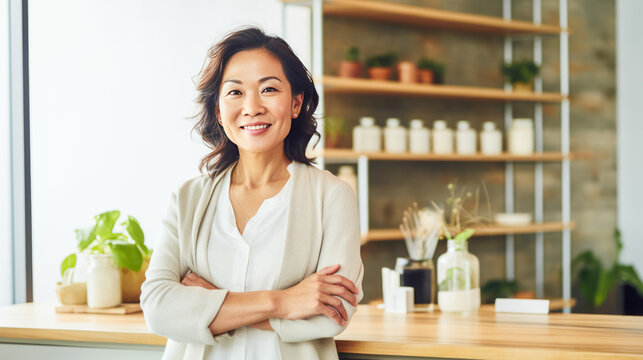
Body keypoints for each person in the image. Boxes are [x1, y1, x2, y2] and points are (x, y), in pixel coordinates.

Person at [140, 26, 364, 360]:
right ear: (218, 110)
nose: (252, 107)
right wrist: (283, 302)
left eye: (269, 89)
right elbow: (158, 308)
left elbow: (333, 313)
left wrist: (213, 304)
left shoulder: (332, 197)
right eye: (235, 93)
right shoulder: (188, 200)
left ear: (295, 103)